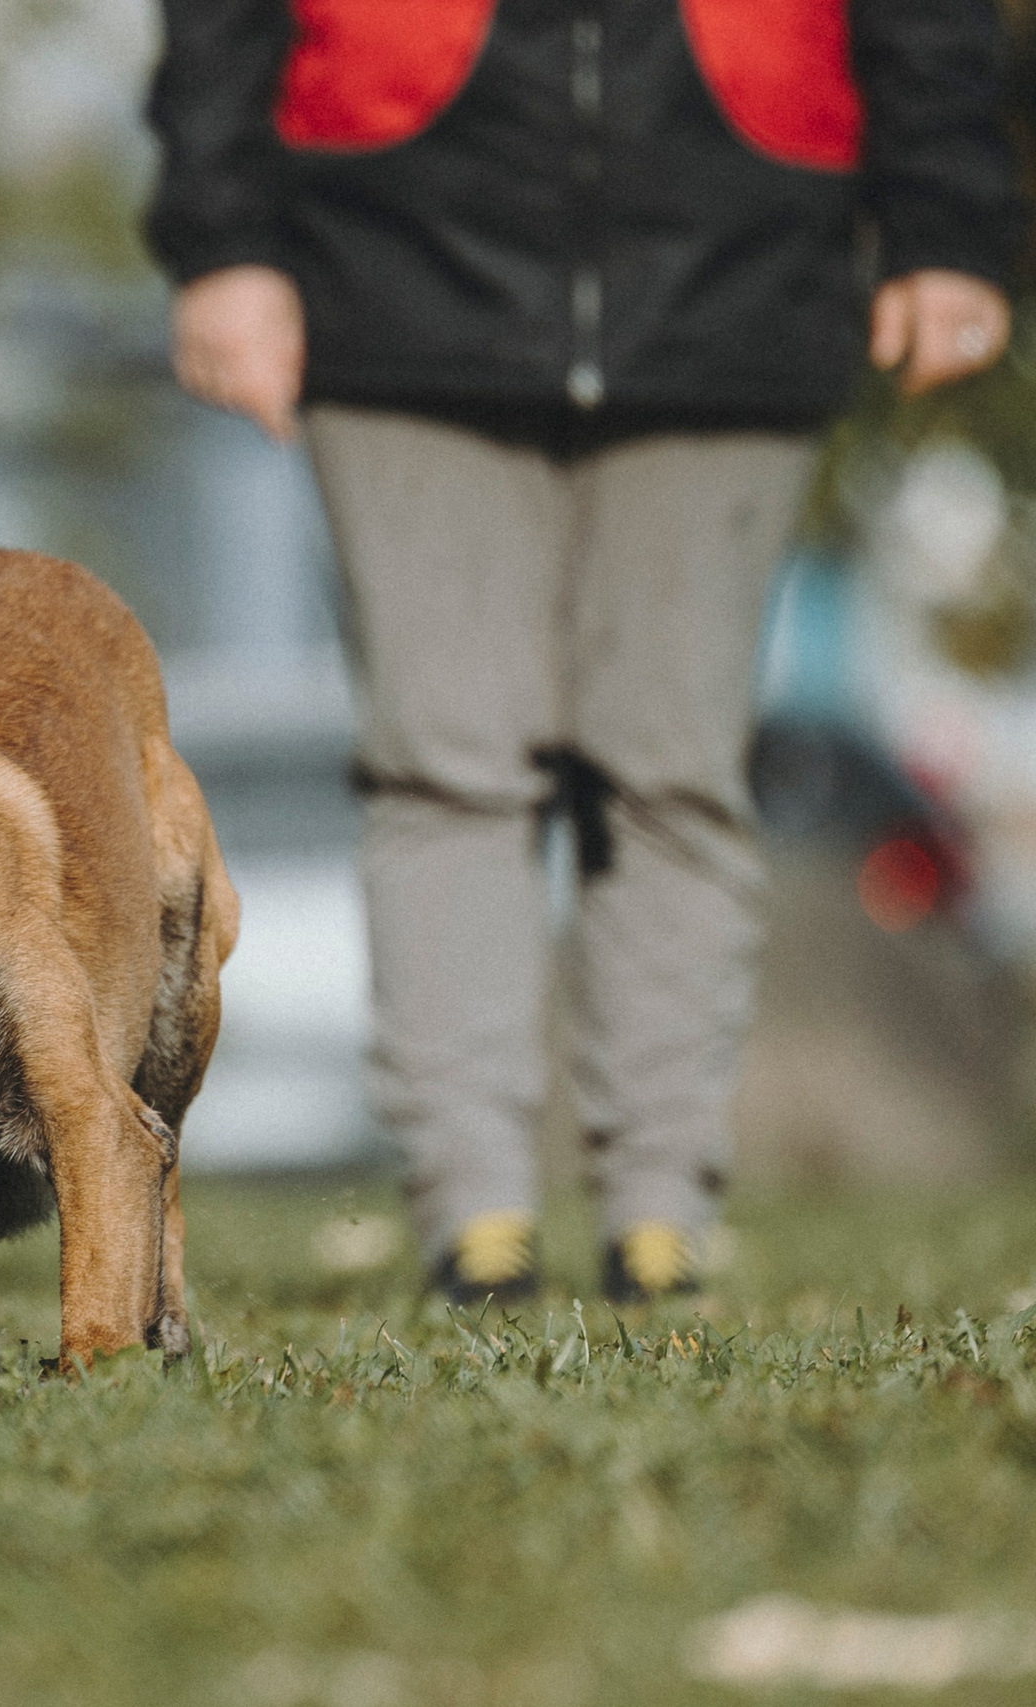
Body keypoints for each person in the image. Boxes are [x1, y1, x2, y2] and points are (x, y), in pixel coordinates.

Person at [143, 0, 1024, 1302]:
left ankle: (661, 1216)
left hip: (737, 269)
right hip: (396, 269)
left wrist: (948, 224)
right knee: (444, 766)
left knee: (676, 772)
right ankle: (475, 1216)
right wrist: (222, 242)